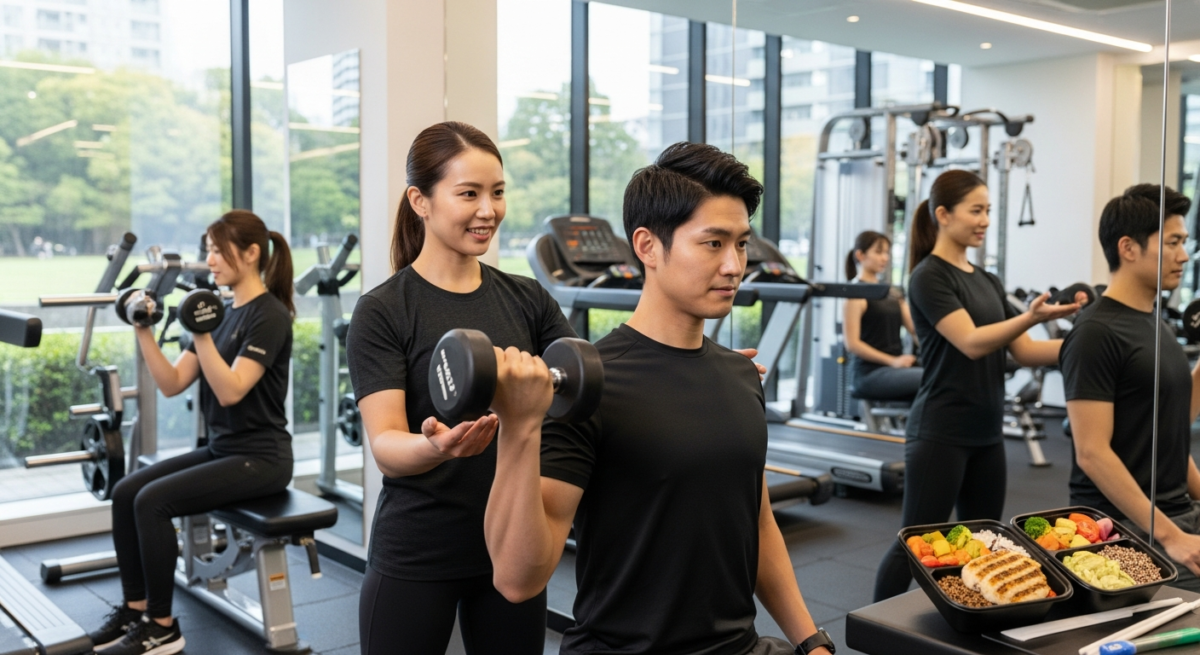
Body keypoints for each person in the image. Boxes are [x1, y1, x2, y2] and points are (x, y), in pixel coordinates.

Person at [483, 142, 835, 655]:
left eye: (741, 244)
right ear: (647, 246)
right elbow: (518, 580)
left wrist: (811, 642)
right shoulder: (589, 388)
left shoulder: (742, 375)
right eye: (713, 244)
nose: (734, 265)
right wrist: (519, 427)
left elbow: (758, 524)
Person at [345, 121, 569, 655]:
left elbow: (584, 376)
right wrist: (436, 447)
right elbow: (386, 445)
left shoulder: (528, 299)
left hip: (513, 547)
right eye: (469, 194)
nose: (488, 210)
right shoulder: (384, 310)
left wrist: (693, 366)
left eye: (498, 192)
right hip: (419, 549)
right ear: (419, 201)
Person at [90, 210, 295, 655]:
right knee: (126, 492)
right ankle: (135, 609)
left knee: (152, 502)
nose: (210, 260)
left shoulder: (269, 316)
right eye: (208, 250)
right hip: (224, 449)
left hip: (262, 458)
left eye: (219, 250)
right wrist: (142, 327)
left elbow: (231, 391)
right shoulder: (218, 312)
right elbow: (172, 383)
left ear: (251, 253)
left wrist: (201, 331)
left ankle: (162, 627)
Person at [872, 169, 1083, 601]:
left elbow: (1025, 351)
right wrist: (1030, 316)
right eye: (976, 210)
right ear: (944, 215)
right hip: (941, 431)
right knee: (915, 545)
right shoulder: (928, 276)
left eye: (987, 210)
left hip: (987, 433)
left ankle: (969, 626)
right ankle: (870, 630)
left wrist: (1091, 341)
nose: (985, 220)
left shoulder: (987, 280)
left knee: (984, 544)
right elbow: (970, 342)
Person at [1060, 184, 1200, 591]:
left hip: (1176, 516)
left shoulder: (1157, 326)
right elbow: (1092, 453)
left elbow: (1171, 428)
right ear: (1128, 248)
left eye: (1184, 242)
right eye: (1172, 242)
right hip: (1120, 529)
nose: (1184, 256)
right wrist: (1172, 538)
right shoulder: (1095, 333)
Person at [842, 230, 922, 402]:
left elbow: (915, 329)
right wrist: (893, 361)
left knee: (944, 376)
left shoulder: (892, 293)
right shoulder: (855, 294)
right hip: (870, 373)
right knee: (930, 380)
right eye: (879, 252)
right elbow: (852, 344)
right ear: (860, 255)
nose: (885, 258)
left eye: (886, 253)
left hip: (896, 368)